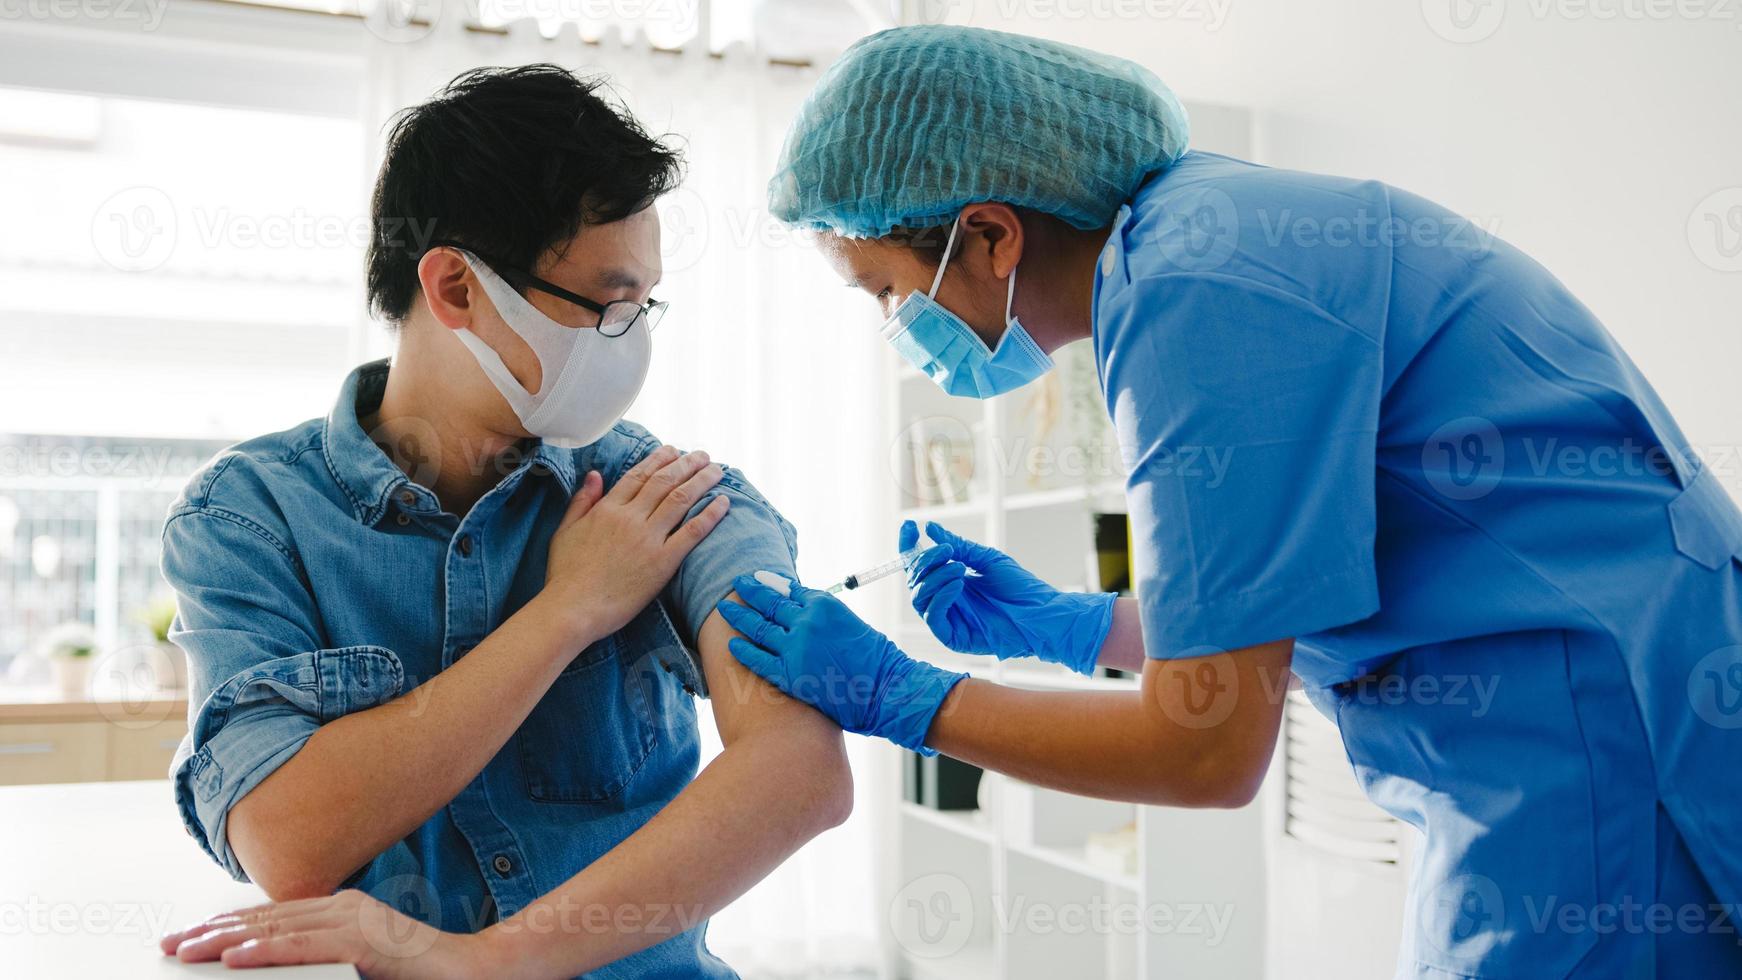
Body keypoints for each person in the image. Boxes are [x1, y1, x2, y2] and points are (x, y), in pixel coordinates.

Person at [718, 25, 1742, 977]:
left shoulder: (1196, 299)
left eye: (886, 291)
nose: (894, 325)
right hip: (1580, 711)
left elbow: (1203, 748)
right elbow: (1263, 628)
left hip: (1594, 748)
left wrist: (903, 695)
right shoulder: (1194, 245)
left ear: (988, 234)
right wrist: (1077, 625)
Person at [154, 65, 851, 978]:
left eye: (643, 307)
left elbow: (800, 772)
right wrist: (567, 612)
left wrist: (483, 962)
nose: (628, 340)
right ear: (454, 288)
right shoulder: (251, 518)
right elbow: (287, 839)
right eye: (605, 304)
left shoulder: (664, 496)